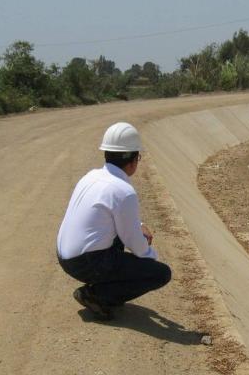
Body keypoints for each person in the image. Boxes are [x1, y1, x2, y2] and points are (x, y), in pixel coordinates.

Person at [57, 122, 171, 320]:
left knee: (124, 236)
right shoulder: (124, 191)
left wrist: (138, 226)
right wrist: (149, 257)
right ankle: (97, 295)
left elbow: (114, 214)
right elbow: (136, 245)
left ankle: (104, 285)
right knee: (160, 273)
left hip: (65, 255)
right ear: (134, 159)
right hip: (85, 262)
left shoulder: (91, 176)